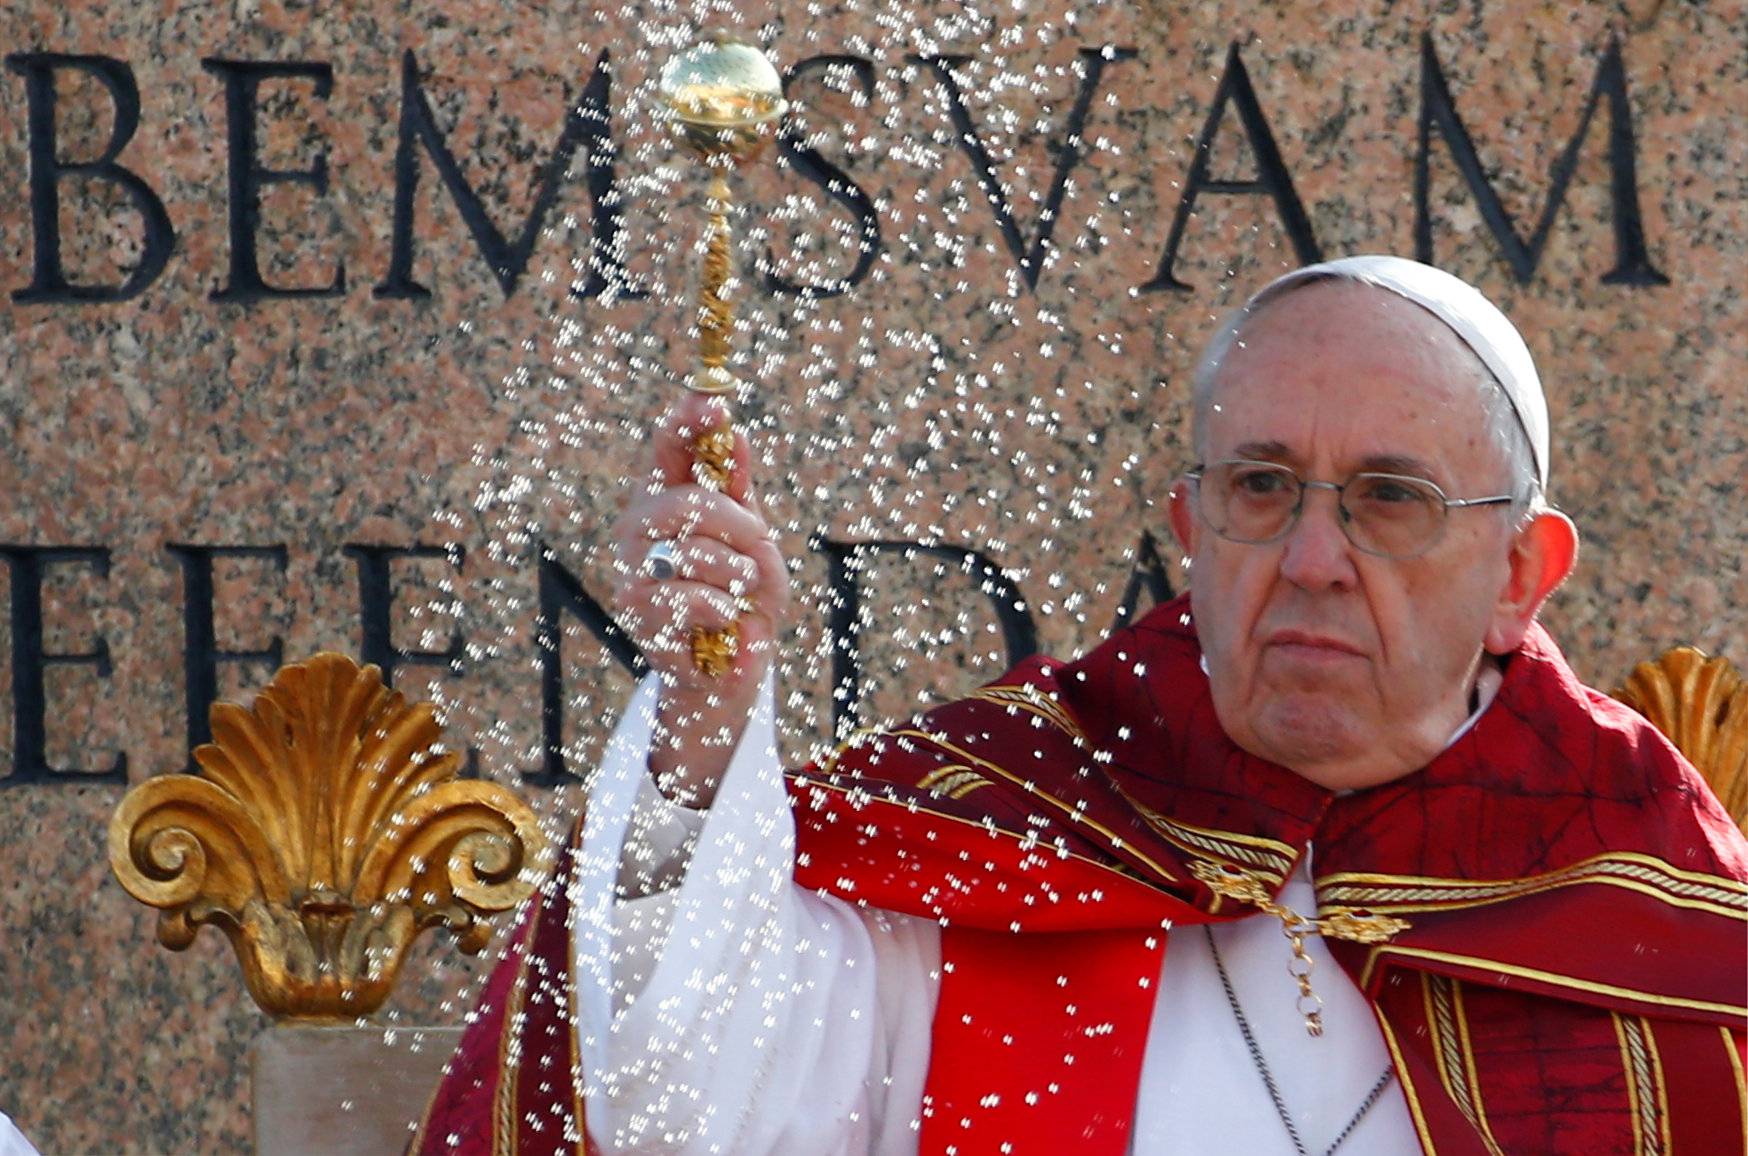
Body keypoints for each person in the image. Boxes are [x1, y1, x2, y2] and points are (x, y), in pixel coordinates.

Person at [412, 257, 1748, 1155]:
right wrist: (708, 731)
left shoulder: (1662, 940)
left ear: (1522, 575)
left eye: (1390, 498)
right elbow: (689, 1100)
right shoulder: (1020, 820)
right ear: (1190, 527)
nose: (1313, 558)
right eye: (1262, 486)